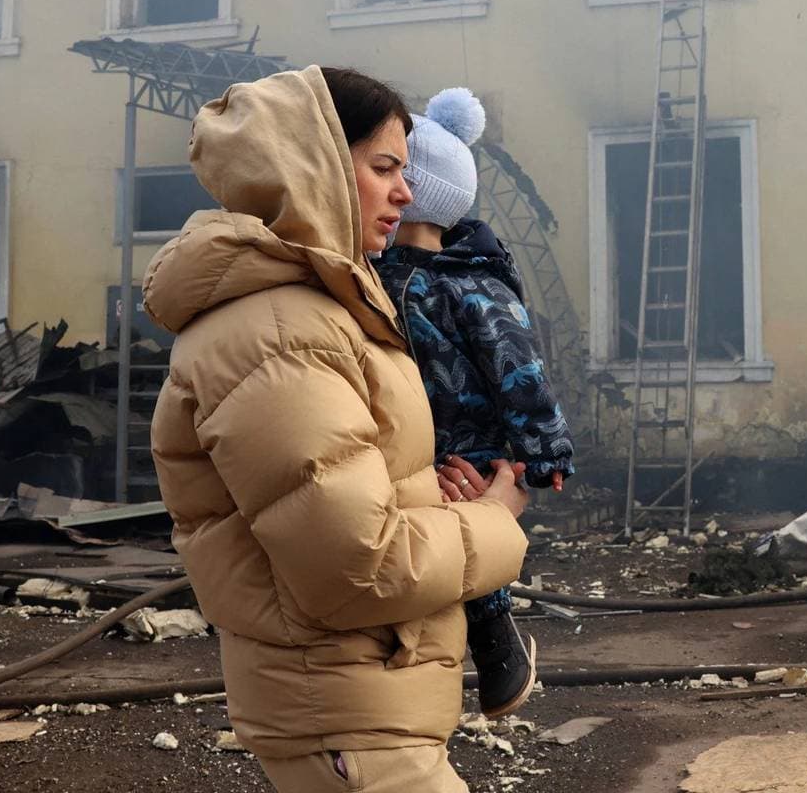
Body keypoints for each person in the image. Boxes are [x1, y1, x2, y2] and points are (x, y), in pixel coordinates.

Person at [144, 66, 529, 793]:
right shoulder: (281, 333)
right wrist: (494, 516)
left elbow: (339, 507)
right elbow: (358, 567)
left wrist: (431, 498)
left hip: (367, 706)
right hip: (350, 718)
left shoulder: (316, 310)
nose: (405, 193)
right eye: (384, 168)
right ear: (311, 167)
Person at [373, 88, 576, 719]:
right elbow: (520, 370)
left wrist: (543, 448)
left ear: (410, 190)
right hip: (418, 441)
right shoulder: (381, 275)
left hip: (454, 440)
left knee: (463, 546)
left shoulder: (459, 282)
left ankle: (492, 651)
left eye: (395, 173)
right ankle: (467, 662)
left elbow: (518, 368)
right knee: (438, 553)